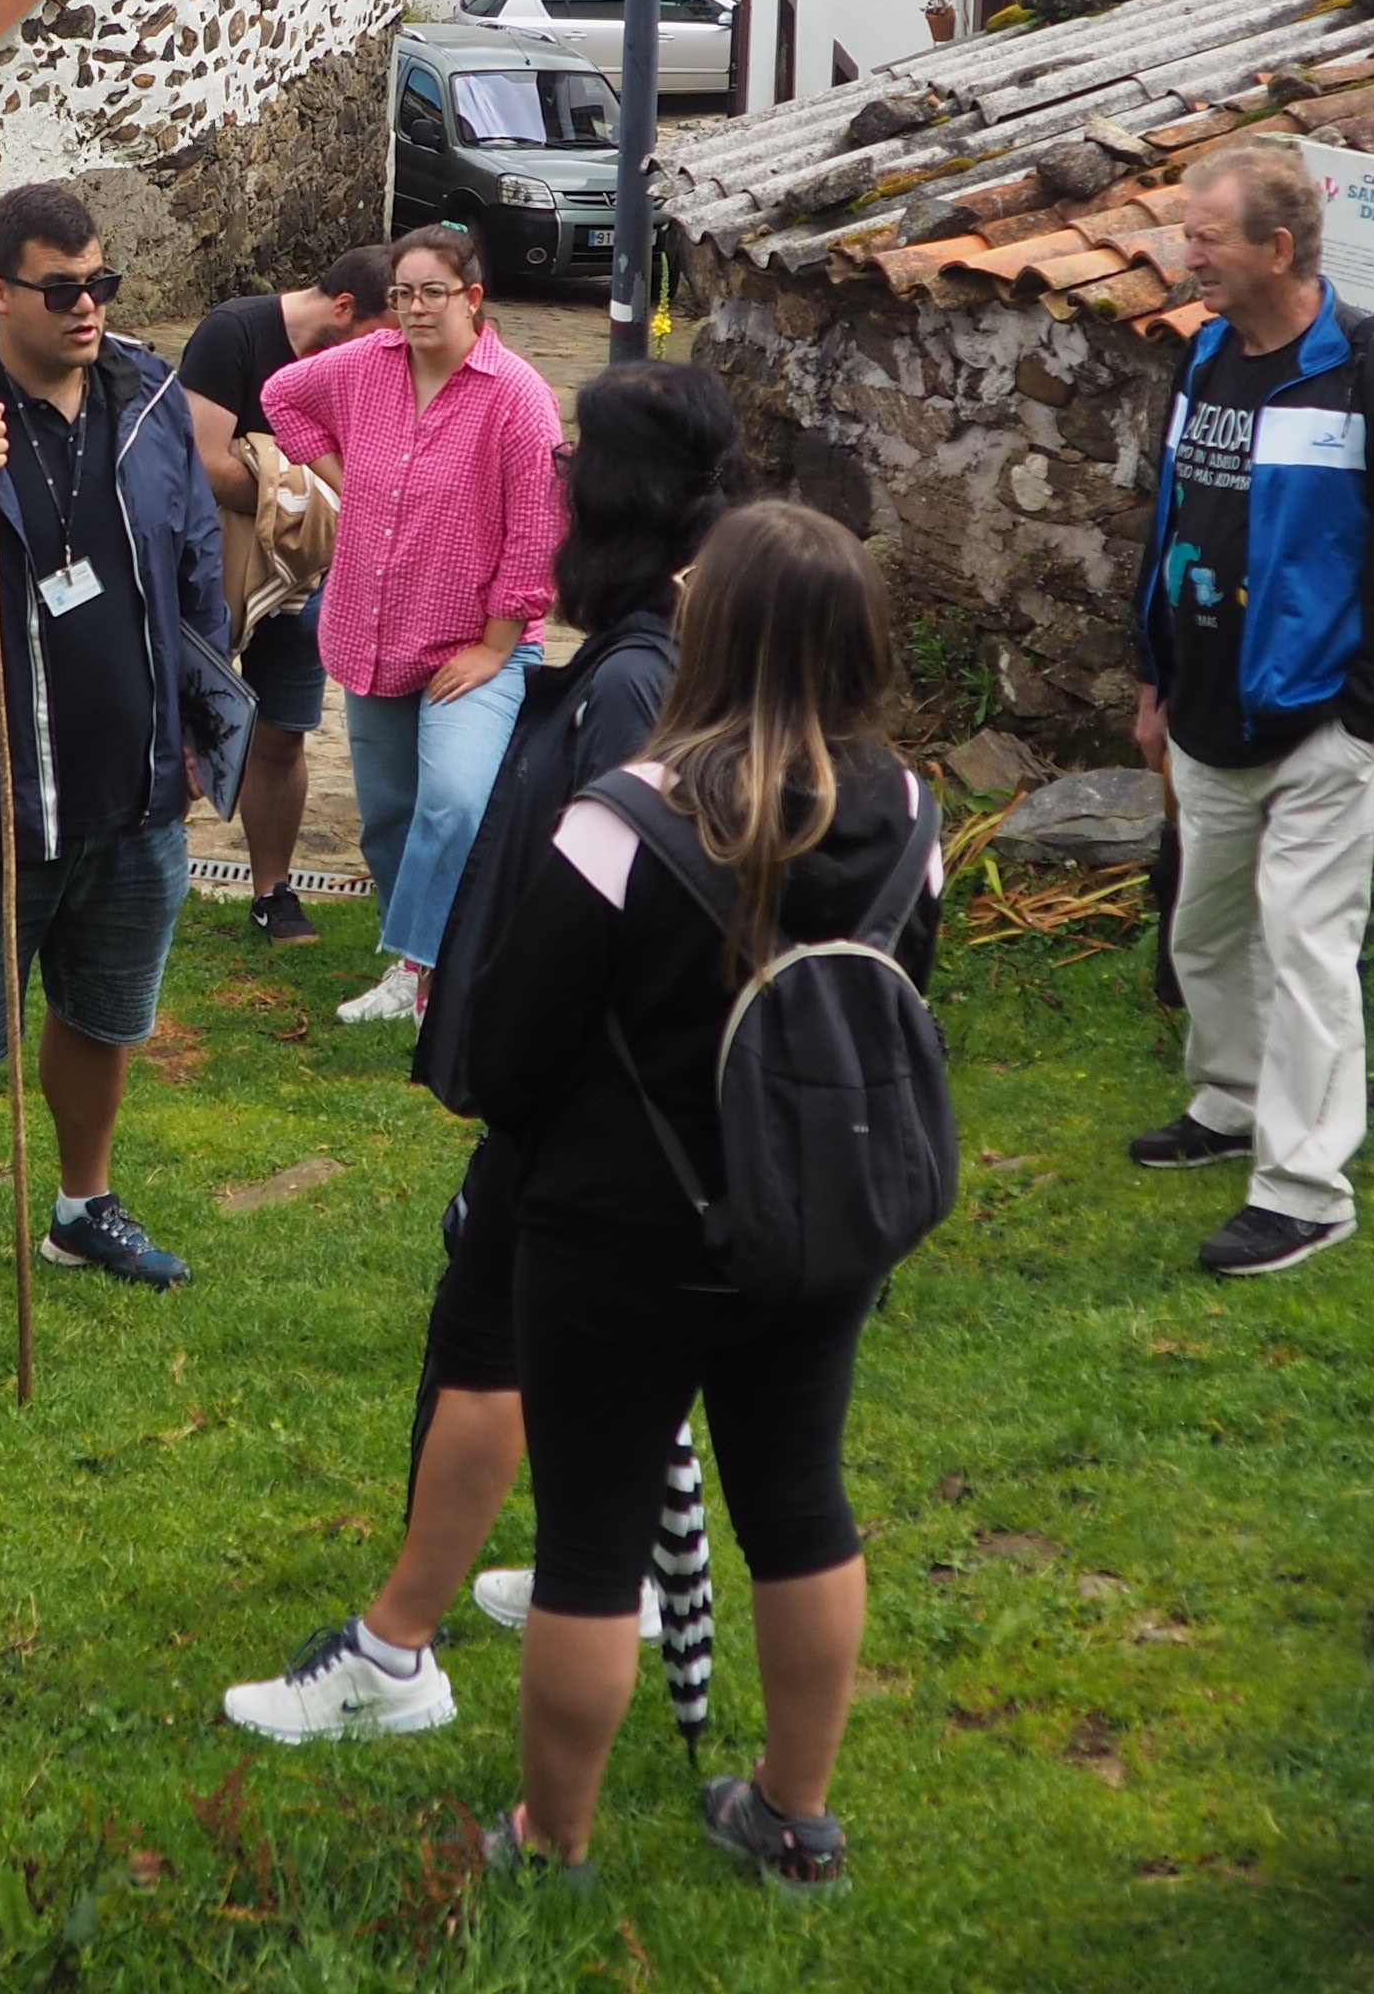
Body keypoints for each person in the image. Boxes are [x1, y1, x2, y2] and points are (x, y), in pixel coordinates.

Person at [219, 362, 744, 1745]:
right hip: (610, 1103)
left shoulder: (636, 679)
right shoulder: (652, 644)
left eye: (579, 458)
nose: (557, 478)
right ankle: (615, 1570)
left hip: (588, 1108)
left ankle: (397, 1657)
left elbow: (629, 916)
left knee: (485, 1346)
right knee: (567, 1349)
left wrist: (521, 1088)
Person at [460, 502, 942, 1890]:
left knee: (595, 1536)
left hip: (619, 1234)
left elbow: (509, 1051)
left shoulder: (621, 823)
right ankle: (797, 1814)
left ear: (709, 633)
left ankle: (552, 1838)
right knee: (800, 1503)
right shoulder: (913, 817)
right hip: (813, 1218)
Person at [0, 182, 250, 1326]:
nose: (88, 309)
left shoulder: (150, 394)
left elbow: (190, 571)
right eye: (63, 289)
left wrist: (199, 727)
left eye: (101, 285)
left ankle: (83, 1206)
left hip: (135, 795)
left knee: (107, 1015)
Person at [1122, 139, 1374, 1281]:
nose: (1189, 255)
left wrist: (1370, 713)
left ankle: (1306, 1189)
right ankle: (1228, 1102)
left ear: (1279, 246)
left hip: (1323, 721)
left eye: (1207, 237)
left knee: (1309, 947)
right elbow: (1174, 522)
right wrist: (1154, 678)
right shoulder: (1208, 355)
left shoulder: (1373, 373)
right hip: (1210, 711)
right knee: (1207, 929)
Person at [262, 223, 565, 1028]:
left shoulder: (517, 398)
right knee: (392, 813)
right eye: (403, 294)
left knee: (456, 804)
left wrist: (499, 643)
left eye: (434, 292)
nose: (416, 309)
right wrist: (345, 475)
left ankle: (427, 968)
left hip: (477, 644)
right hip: (373, 627)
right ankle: (413, 967)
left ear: (472, 298)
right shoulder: (367, 365)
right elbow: (281, 396)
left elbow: (538, 532)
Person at [178, 250, 394, 940]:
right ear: (342, 309)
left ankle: (273, 892)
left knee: (281, 736)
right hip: (209, 572)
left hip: (306, 582)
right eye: (377, 333)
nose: (385, 356)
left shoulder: (367, 366)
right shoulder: (234, 334)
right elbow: (202, 460)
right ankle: (142, 873)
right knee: (178, 726)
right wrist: (303, 495)